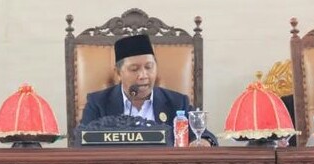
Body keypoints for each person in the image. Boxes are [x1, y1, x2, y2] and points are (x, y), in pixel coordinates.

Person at [80, 34, 217, 146]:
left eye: (149, 67)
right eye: (134, 69)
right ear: (118, 73)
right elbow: (82, 142)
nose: (143, 75)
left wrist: (204, 142)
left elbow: (203, 135)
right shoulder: (98, 103)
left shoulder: (177, 102)